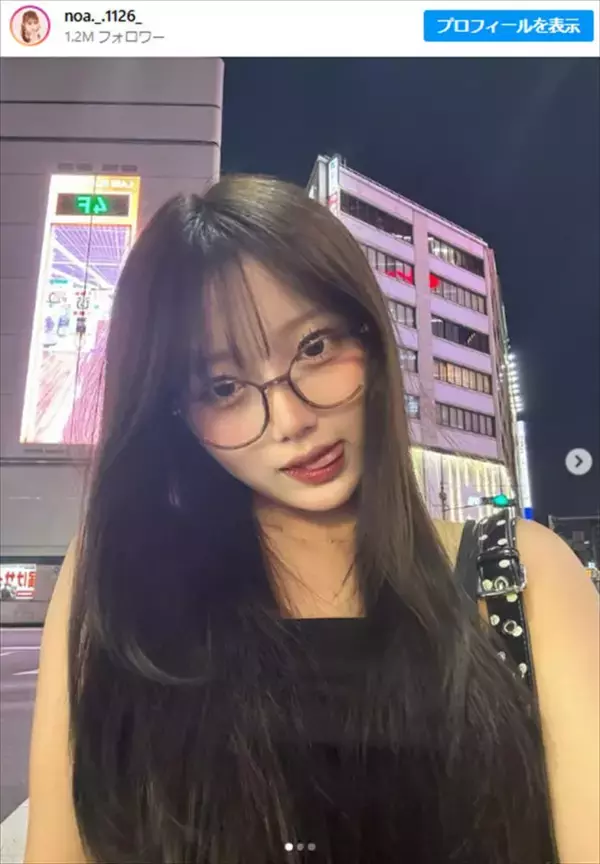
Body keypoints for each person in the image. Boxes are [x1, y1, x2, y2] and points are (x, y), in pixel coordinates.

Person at [25, 176, 599, 864]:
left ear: (371, 338)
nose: (292, 420)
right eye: (225, 387)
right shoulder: (119, 581)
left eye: (315, 348)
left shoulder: (520, 576)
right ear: (177, 415)